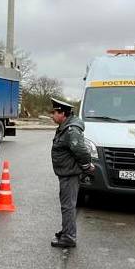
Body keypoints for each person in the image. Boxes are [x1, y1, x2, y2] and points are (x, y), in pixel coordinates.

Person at [50, 98, 93, 248]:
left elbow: (80, 150)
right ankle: (67, 230)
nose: (52, 115)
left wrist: (86, 165)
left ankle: (68, 237)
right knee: (66, 204)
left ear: (63, 113)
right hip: (66, 172)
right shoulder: (66, 126)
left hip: (70, 173)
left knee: (68, 205)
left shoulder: (71, 130)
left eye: (54, 112)